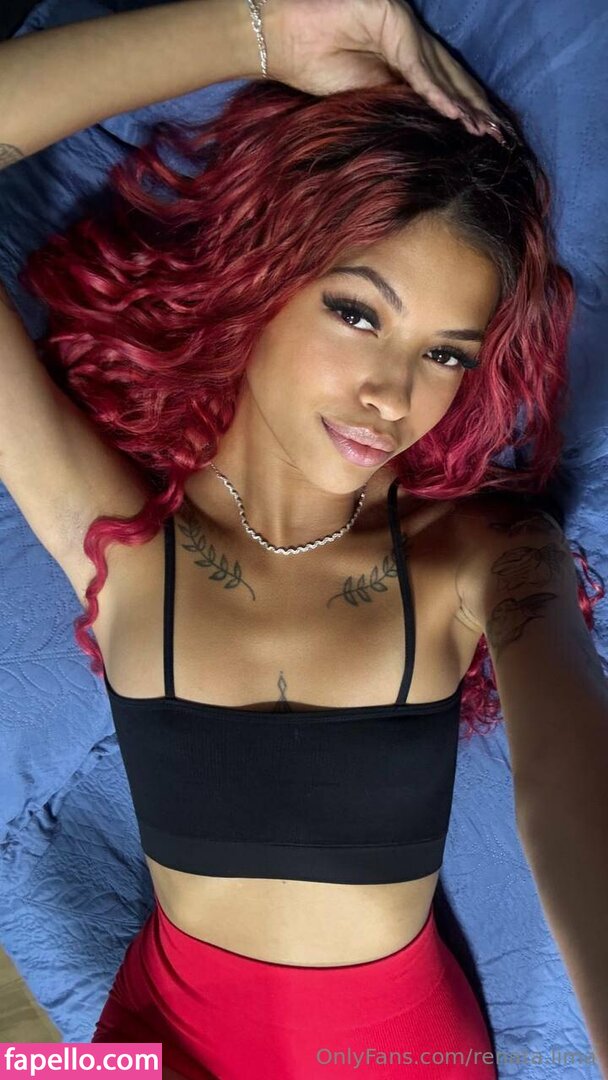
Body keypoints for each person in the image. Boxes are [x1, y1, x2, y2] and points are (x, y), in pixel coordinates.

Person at [1, 1, 607, 1077]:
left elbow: (569, 782)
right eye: (358, 313)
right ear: (265, 272)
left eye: (446, 355)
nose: (391, 394)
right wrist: (270, 32)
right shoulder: (124, 550)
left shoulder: (483, 554)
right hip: (148, 1051)